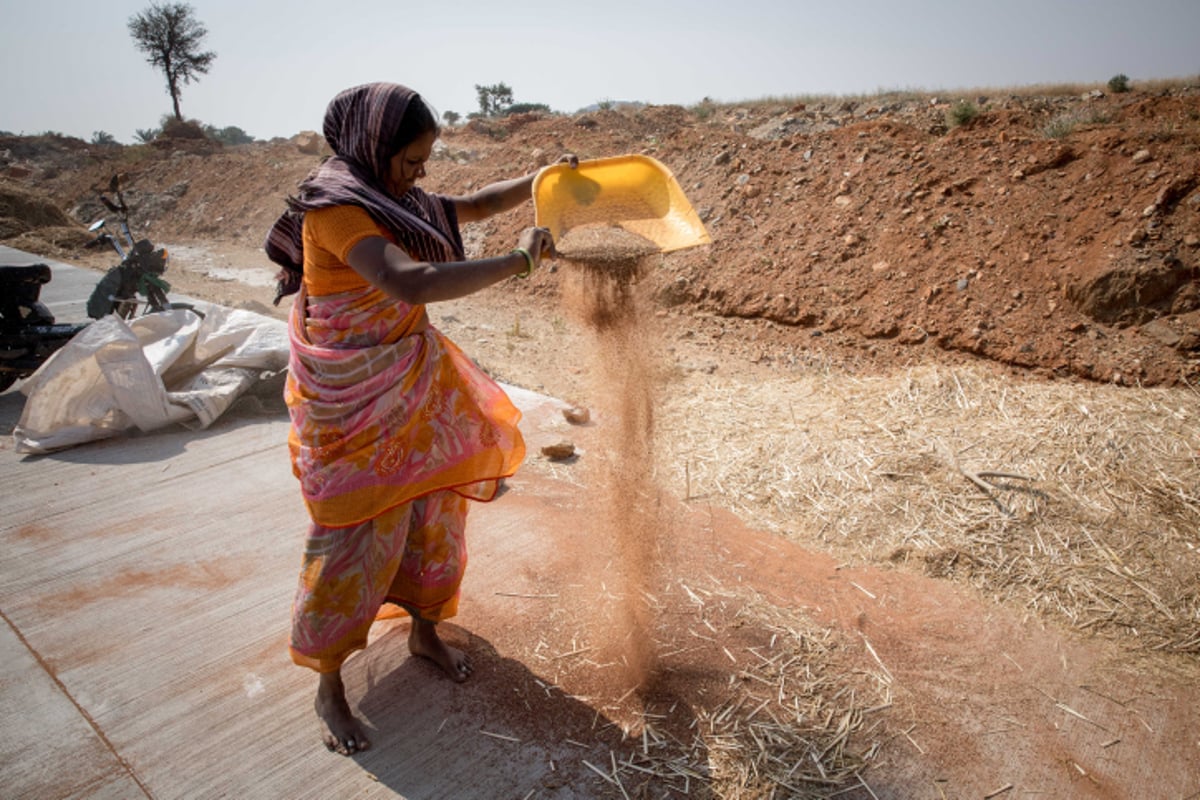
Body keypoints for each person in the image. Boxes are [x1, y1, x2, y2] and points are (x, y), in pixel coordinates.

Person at [264, 81, 576, 756]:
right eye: (410, 159)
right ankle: (329, 683)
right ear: (372, 148)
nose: (419, 174)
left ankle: (424, 629)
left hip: (413, 383)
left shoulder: (391, 196)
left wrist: (541, 179)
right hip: (350, 401)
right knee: (349, 536)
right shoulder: (340, 211)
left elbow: (469, 205)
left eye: (424, 159)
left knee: (433, 513)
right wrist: (520, 263)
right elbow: (412, 282)